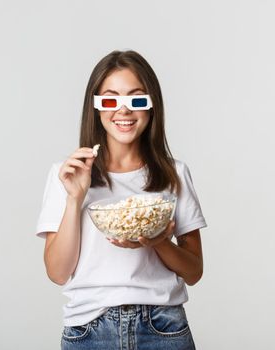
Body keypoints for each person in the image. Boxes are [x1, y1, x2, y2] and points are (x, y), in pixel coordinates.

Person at [36, 49, 207, 350]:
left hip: (162, 326)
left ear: (152, 107)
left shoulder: (174, 174)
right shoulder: (66, 175)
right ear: (96, 107)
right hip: (88, 329)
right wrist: (76, 199)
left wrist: (158, 241)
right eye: (111, 99)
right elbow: (57, 272)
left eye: (136, 99)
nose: (123, 111)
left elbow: (194, 272)